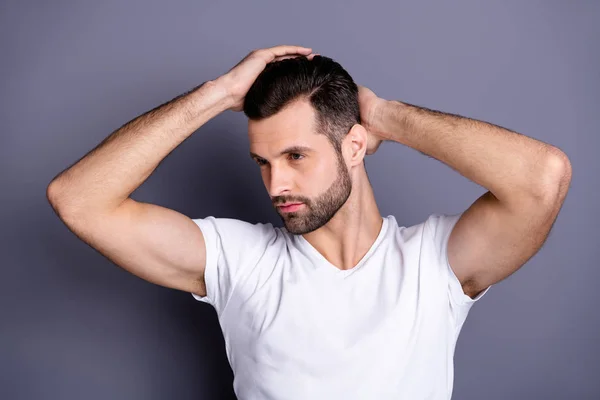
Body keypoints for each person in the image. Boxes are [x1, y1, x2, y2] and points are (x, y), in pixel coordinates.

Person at [46, 45, 571, 399]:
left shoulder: (434, 264)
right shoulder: (240, 261)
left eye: (296, 156)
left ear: (355, 147)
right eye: (264, 162)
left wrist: (387, 115)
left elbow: (543, 177)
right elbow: (79, 199)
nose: (276, 185)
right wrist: (219, 94)